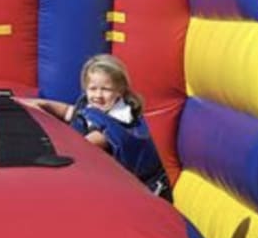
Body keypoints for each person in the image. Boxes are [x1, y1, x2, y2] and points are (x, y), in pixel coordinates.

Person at [20, 54, 173, 200]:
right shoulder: (94, 105)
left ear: (120, 91)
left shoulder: (119, 120)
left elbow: (80, 146)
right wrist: (40, 104)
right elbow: (69, 111)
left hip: (142, 191)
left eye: (106, 89)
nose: (98, 95)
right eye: (93, 88)